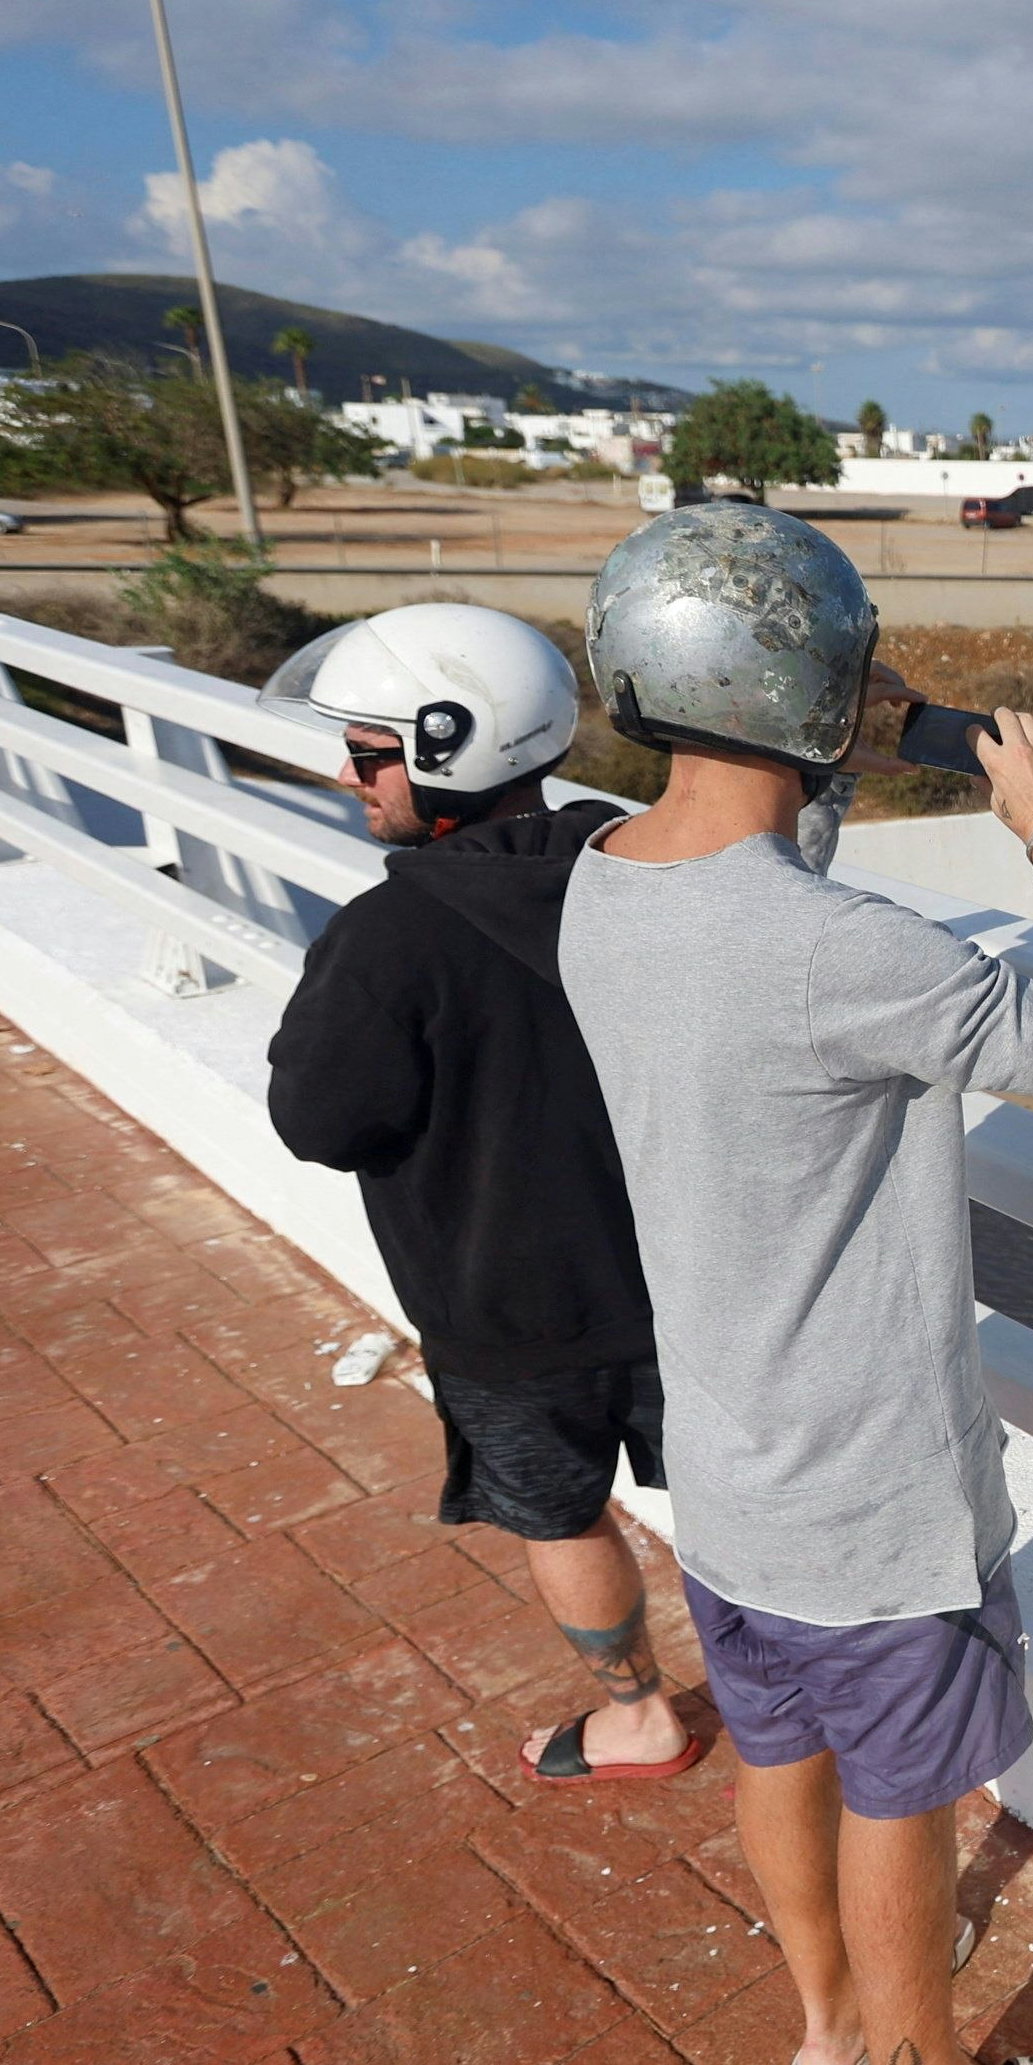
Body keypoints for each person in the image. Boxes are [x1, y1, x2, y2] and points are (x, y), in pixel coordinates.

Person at [558, 502, 1033, 2065]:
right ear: (809, 687)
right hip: (871, 1490)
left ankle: (829, 2031)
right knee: (900, 1790)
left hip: (730, 1473)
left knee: (777, 1744)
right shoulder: (847, 954)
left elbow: (755, 877)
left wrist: (847, 732)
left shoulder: (602, 882)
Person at [261, 603, 701, 1788]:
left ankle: (643, 1716)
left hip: (504, 1324)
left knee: (561, 1519)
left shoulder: (387, 938)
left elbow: (318, 1121)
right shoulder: (643, 865)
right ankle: (785, 1693)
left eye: (367, 752)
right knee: (734, 1511)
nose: (349, 776)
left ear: (448, 746)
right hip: (694, 1289)